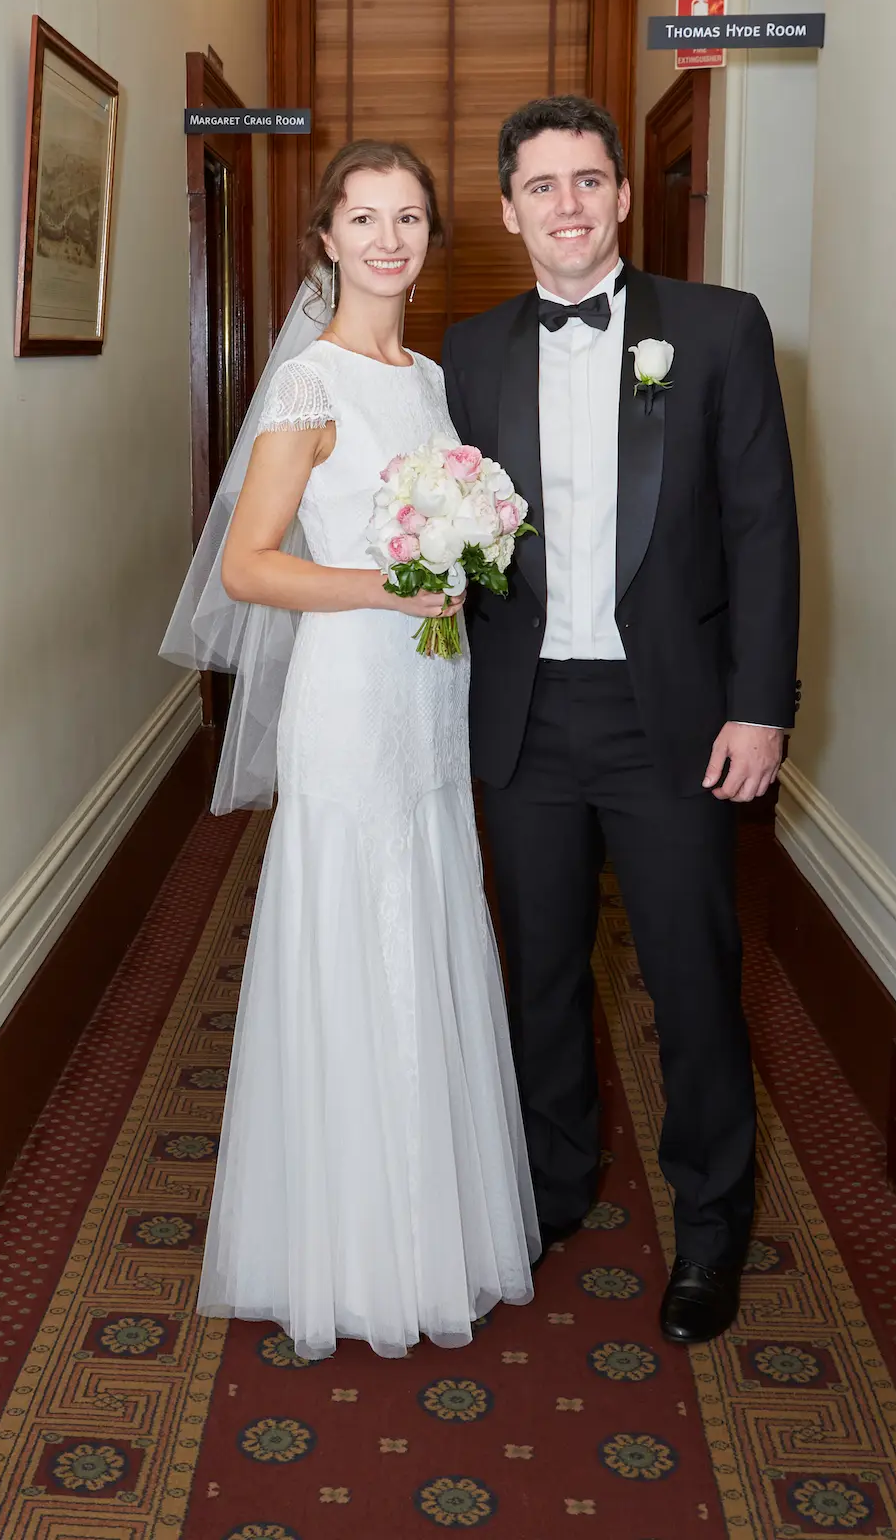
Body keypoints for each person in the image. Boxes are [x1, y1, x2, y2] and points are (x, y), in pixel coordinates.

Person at [160, 140, 539, 1362]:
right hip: (347, 694)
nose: (387, 238)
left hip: (429, 695)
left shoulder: (433, 381)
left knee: (424, 916)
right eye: (363, 217)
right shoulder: (306, 385)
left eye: (408, 216)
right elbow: (247, 565)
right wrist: (388, 586)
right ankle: (344, 1244)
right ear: (326, 237)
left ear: (432, 236)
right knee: (353, 927)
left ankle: (429, 1224)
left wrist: (462, 561)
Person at [441, 94, 799, 1347]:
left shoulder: (717, 327)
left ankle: (711, 1223)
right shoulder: (468, 350)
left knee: (691, 976)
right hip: (525, 712)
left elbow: (763, 528)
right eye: (541, 185)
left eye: (588, 180)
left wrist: (759, 706)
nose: (568, 204)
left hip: (676, 717)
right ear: (508, 210)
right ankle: (553, 1183)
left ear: (624, 196)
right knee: (538, 968)